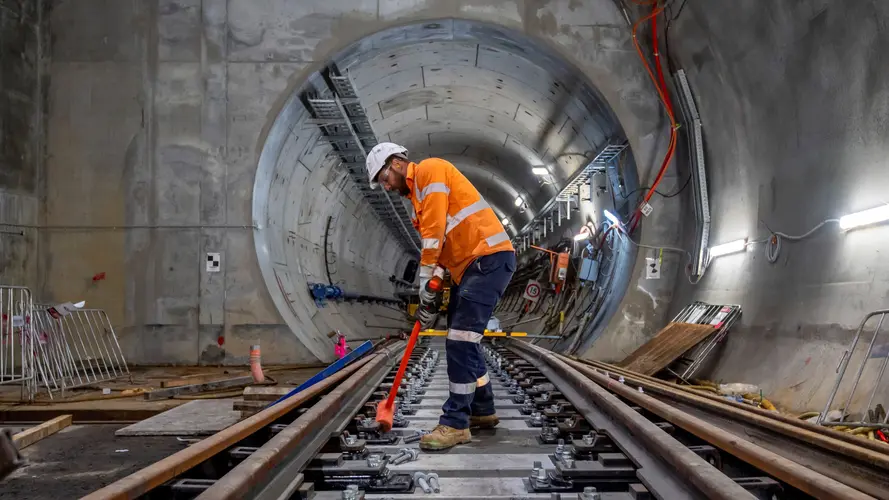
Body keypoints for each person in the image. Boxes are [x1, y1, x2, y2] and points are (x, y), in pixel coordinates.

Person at [366, 142, 516, 450]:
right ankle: (483, 410)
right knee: (463, 339)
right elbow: (439, 249)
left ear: (395, 163)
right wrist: (430, 295)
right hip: (468, 267)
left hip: (487, 257)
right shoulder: (417, 205)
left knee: (460, 340)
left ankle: (455, 424)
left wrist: (423, 281)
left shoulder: (430, 171)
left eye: (383, 177)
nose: (384, 186)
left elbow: (434, 232)